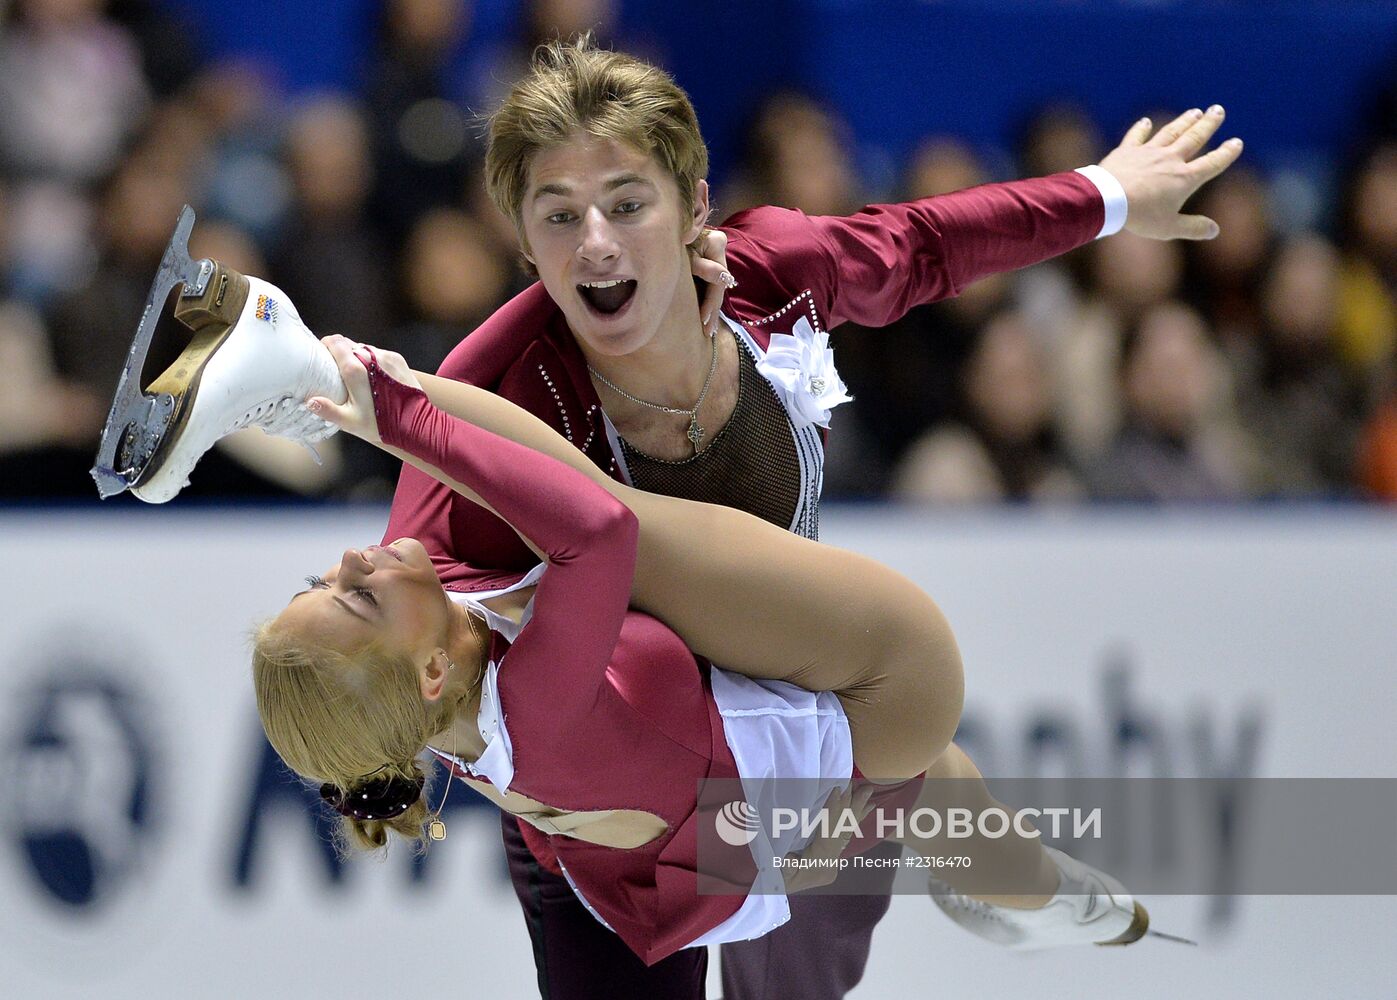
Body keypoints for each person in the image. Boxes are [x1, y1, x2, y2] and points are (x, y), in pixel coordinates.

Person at [124, 38, 1239, 1000]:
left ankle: (1023, 889)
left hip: (770, 692)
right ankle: (314, 371)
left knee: (906, 807)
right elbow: (421, 616)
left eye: (625, 204)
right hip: (609, 776)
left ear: (692, 205)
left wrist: (1105, 195)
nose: (595, 243)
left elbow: (924, 246)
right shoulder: (497, 377)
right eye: (557, 217)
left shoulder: (767, 275)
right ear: (522, 241)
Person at [252, 331, 1147, 968]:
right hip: (754, 818)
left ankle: (1022, 889)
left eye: (320, 580)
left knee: (931, 792)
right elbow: (596, 528)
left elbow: (458, 386)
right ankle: (1039, 899)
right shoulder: (536, 712)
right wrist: (396, 414)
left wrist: (334, 369)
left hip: (671, 790)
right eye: (354, 596)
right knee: (924, 747)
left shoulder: (432, 634)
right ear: (431, 670)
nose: (350, 558)